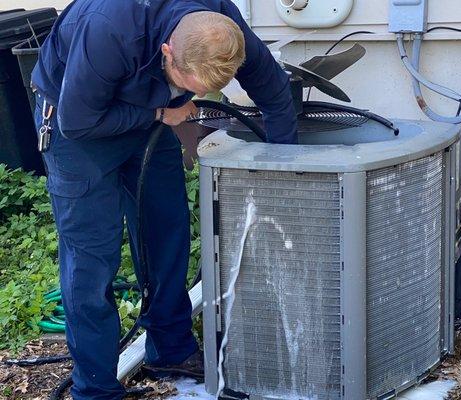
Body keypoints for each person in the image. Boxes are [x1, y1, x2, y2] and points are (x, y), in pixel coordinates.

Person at [31, 0, 297, 398]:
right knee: (92, 260)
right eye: (189, 84)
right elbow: (79, 121)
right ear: (167, 50)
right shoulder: (109, 28)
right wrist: (159, 114)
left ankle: (170, 349)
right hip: (78, 126)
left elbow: (272, 91)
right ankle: (96, 389)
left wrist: (285, 177)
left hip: (148, 113)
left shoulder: (220, 22)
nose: (199, 95)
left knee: (167, 230)